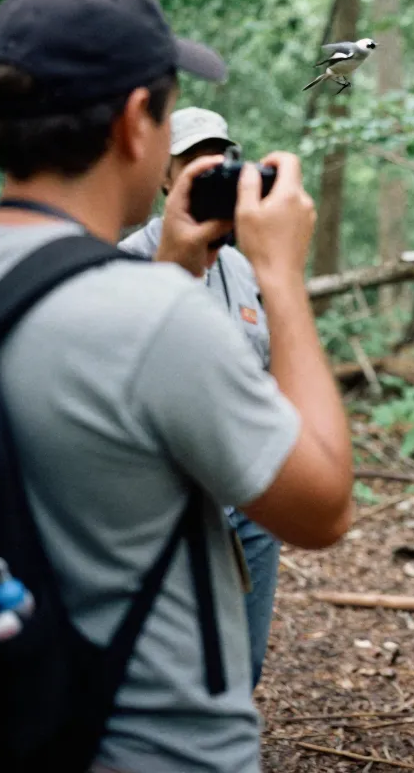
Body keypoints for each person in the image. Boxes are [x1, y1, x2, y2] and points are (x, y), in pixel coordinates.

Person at [0, 0, 352, 772]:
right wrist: (282, 278)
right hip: (154, 747)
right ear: (138, 126)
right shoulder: (156, 322)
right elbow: (322, 507)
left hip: (1, 721)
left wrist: (169, 267)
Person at [120, 106, 279, 689]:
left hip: (249, 498)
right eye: (192, 161)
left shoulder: (243, 266)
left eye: (220, 160)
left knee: (246, 662)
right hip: (172, 503)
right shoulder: (127, 261)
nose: (210, 170)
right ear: (165, 177)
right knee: (179, 667)